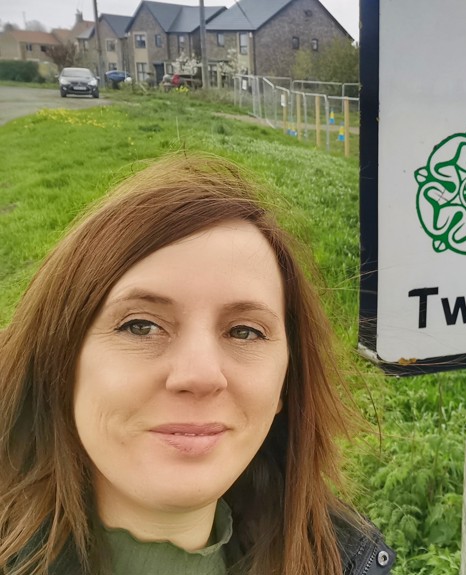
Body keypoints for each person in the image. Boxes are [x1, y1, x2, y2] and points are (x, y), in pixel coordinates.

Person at [0, 153, 393, 575]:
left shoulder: (344, 559)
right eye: (141, 326)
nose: (201, 375)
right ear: (59, 362)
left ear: (285, 383)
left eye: (244, 332)